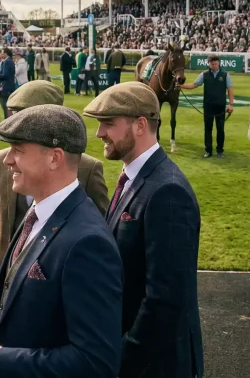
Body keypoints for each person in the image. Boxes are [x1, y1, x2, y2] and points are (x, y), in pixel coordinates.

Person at [0, 105, 123, 378]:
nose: (8, 160)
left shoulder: (88, 242)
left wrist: (2, 362)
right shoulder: (40, 213)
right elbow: (23, 291)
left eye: (18, 150)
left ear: (54, 158)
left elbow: (96, 362)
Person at [84, 82, 204, 378]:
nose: (99, 133)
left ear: (140, 125)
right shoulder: (136, 176)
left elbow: (164, 300)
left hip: (153, 363)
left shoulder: (168, 191)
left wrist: (120, 357)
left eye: (108, 124)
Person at [0, 81, 110, 294]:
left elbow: (100, 236)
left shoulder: (87, 169)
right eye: (16, 116)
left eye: (29, 118)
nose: (18, 125)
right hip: (2, 291)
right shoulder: (0, 161)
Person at [179, 54, 235, 158]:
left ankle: (220, 151)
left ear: (219, 63)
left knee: (220, 130)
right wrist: (181, 86)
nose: (214, 65)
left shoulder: (225, 75)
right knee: (208, 129)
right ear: (209, 64)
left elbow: (230, 89)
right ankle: (208, 151)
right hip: (208, 106)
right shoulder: (204, 74)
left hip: (220, 107)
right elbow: (194, 84)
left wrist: (231, 104)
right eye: (212, 64)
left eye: (216, 63)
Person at [0, 47, 16, 119]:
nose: (1, 55)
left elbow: (5, 75)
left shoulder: (7, 62)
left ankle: (8, 122)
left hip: (6, 86)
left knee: (6, 106)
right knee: (9, 106)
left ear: (5, 53)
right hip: (11, 85)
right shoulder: (11, 61)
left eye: (2, 53)